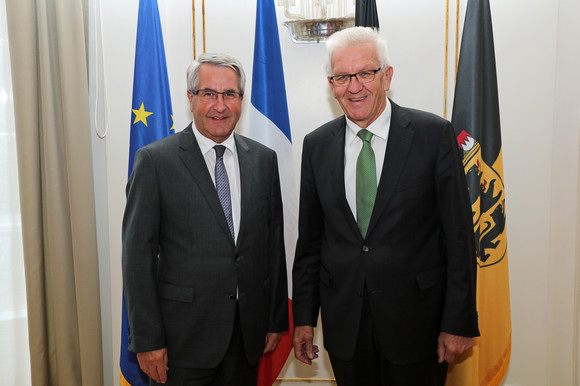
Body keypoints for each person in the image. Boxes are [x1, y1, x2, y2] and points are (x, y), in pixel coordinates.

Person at [292, 27, 479, 386]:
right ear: (331, 83)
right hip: (345, 325)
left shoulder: (433, 134)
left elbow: (458, 236)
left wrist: (458, 322)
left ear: (387, 76)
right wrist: (303, 317)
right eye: (343, 76)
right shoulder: (316, 146)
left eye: (365, 73)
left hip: (418, 324)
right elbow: (311, 242)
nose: (354, 86)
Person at [122, 53, 288, 386]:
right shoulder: (156, 161)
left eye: (230, 94)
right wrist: (148, 339)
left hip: (246, 338)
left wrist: (274, 319)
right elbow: (137, 257)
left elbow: (272, 247)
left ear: (241, 100)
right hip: (181, 341)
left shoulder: (263, 160)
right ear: (191, 98)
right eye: (209, 94)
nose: (220, 105)